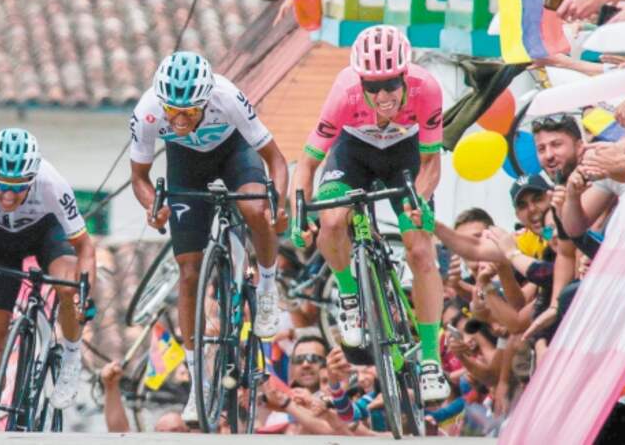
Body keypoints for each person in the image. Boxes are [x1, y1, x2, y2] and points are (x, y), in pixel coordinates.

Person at [291, 24, 450, 403]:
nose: (382, 95)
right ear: (360, 81)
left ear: (405, 75)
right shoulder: (344, 91)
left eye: (391, 84)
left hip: (406, 155)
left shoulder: (427, 88)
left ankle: (429, 361)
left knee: (421, 251)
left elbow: (431, 164)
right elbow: (308, 164)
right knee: (331, 219)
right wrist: (300, 214)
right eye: (372, 86)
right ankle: (349, 299)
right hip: (354, 151)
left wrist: (419, 204)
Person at [129, 51, 289, 423]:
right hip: (185, 165)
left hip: (234, 154)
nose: (181, 119)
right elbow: (139, 177)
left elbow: (275, 159)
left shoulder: (227, 97)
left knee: (254, 210)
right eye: (174, 112)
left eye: (190, 112)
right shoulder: (147, 110)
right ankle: (199, 380)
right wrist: (154, 206)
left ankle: (266, 286)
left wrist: (276, 204)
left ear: (206, 100)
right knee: (188, 271)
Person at [0, 128, 96, 418]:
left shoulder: (52, 183)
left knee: (67, 287)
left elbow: (85, 247)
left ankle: (71, 354)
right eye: (1, 186)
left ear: (33, 178)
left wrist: (83, 293)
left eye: (19, 186)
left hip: (46, 234)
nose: (9, 195)